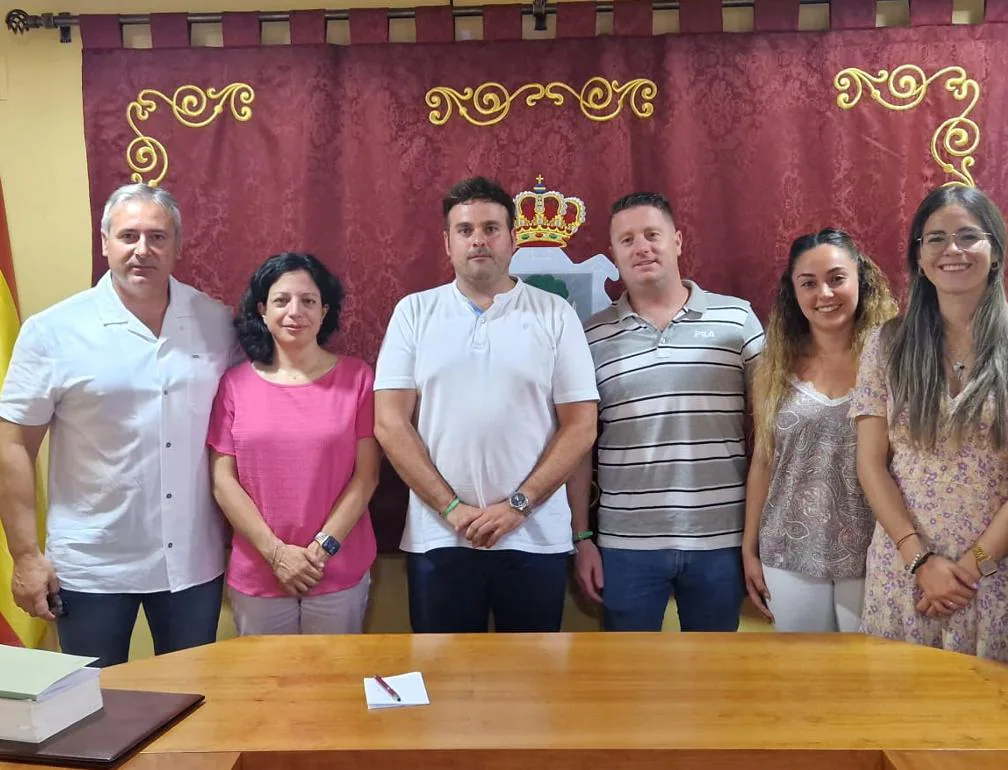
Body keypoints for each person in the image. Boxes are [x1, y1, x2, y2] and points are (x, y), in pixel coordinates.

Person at [0, 183, 235, 666]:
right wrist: (25, 554)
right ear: (104, 241)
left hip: (192, 563)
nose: (142, 250)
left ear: (177, 245)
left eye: (157, 237)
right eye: (128, 236)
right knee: (91, 712)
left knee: (192, 703)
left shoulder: (216, 322)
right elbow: (12, 444)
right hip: (92, 566)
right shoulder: (53, 332)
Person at [373, 176, 599, 634]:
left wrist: (518, 505)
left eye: (492, 228)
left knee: (535, 688)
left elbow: (580, 426)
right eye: (465, 229)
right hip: (440, 536)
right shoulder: (414, 312)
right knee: (445, 687)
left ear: (513, 238)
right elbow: (389, 424)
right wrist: (452, 508)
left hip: (534, 538)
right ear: (447, 242)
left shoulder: (555, 314)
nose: (479, 239)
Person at [851, 185, 1008, 664]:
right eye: (935, 238)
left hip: (993, 571)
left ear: (996, 251)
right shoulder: (887, 345)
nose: (952, 250)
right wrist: (921, 560)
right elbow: (870, 464)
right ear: (919, 258)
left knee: (990, 723)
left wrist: (967, 569)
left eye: (968, 236)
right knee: (895, 716)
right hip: (903, 566)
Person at [570, 192, 765, 632]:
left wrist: (757, 539)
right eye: (627, 240)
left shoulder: (738, 320)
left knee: (715, 679)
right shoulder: (589, 337)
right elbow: (578, 446)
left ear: (677, 241)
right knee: (627, 681)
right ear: (614, 255)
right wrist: (582, 537)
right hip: (625, 543)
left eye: (652, 235)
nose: (642, 247)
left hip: (721, 538)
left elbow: (775, 431)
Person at [207, 253, 379, 636]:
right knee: (268, 689)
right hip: (260, 569)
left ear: (324, 311)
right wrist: (276, 554)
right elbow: (223, 480)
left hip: (337, 569)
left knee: (334, 686)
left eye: (308, 301)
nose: (295, 311)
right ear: (263, 311)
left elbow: (366, 477)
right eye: (282, 300)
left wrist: (321, 550)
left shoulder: (358, 379)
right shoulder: (234, 385)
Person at [742, 229, 897, 632]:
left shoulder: (893, 360)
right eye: (808, 283)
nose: (824, 293)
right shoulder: (772, 365)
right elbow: (763, 459)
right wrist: (749, 547)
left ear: (860, 280)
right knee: (803, 680)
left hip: (874, 546)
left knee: (868, 678)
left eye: (836, 278)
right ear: (793, 293)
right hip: (789, 550)